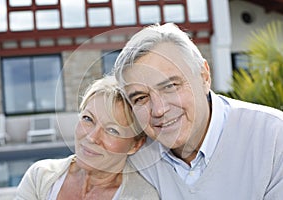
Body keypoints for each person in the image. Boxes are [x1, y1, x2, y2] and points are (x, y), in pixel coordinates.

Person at [113, 23, 283, 199]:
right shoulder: (137, 156)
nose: (159, 109)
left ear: (204, 77)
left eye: (170, 86)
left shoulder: (274, 138)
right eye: (140, 98)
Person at [15, 75, 159, 199]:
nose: (91, 137)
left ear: (136, 145)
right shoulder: (40, 176)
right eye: (88, 119)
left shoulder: (142, 196)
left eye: (112, 130)